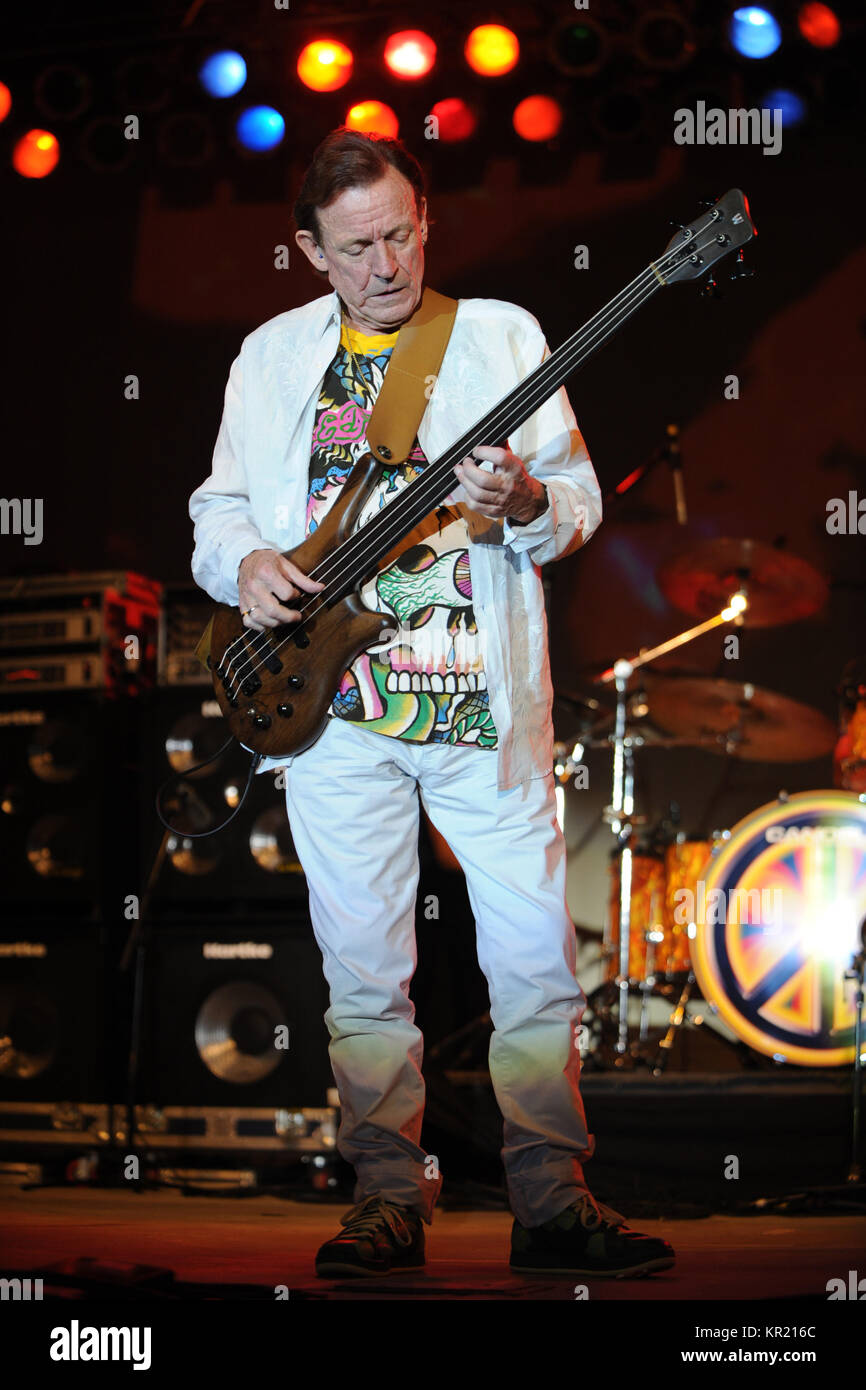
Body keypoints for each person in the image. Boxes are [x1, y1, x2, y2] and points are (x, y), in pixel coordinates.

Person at [189, 127, 675, 1281]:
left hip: (477, 704)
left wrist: (516, 502)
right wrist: (245, 564)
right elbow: (219, 509)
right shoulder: (266, 357)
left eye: (402, 233)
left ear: (424, 221)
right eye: (357, 246)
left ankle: (550, 1196)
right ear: (309, 250)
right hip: (332, 708)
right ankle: (382, 1196)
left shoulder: (499, 334)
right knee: (362, 968)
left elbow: (576, 503)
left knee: (530, 958)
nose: (387, 264)